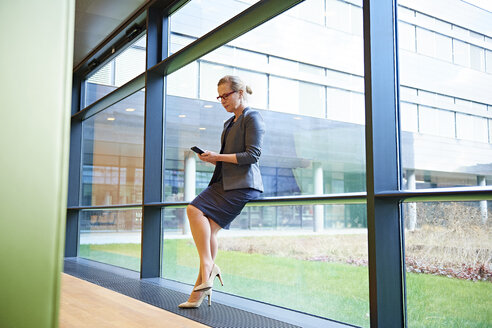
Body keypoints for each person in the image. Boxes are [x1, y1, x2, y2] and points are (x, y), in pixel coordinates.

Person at [178, 75, 265, 308]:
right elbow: (228, 160)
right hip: (225, 182)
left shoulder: (252, 117)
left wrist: (217, 157)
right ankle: (197, 296)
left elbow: (252, 156)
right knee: (210, 234)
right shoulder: (229, 123)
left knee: (194, 209)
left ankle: (208, 267)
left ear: (239, 93)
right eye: (219, 97)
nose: (222, 100)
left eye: (226, 95)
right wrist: (213, 159)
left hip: (242, 185)